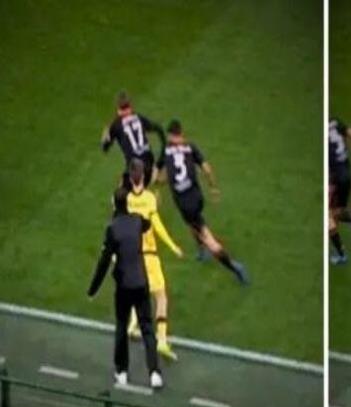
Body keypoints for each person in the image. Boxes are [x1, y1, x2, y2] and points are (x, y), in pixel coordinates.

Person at [156, 119, 249, 284]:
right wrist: (213, 188)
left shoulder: (166, 150)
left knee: (208, 238)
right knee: (192, 224)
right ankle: (201, 251)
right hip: (197, 198)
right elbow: (206, 168)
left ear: (170, 135)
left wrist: (160, 184)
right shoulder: (190, 146)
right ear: (181, 133)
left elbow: (159, 177)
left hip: (185, 204)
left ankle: (235, 267)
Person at [87, 187, 163, 388]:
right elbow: (147, 223)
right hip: (141, 282)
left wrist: (93, 289)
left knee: (121, 326)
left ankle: (122, 371)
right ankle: (154, 373)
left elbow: (104, 262)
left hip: (123, 286)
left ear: (114, 204)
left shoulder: (112, 229)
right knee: (147, 328)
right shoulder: (137, 221)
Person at [125, 158, 183, 361]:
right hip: (149, 256)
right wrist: (173, 246)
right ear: (143, 177)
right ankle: (162, 341)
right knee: (161, 297)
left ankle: (132, 327)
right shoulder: (149, 199)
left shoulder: (124, 199)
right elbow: (157, 226)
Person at [101, 91, 166, 187]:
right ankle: (156, 177)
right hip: (150, 164)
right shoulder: (138, 117)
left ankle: (149, 182)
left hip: (135, 170)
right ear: (130, 105)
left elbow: (104, 148)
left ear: (118, 108)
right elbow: (159, 129)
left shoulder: (115, 124)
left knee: (121, 192)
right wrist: (160, 162)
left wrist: (105, 136)